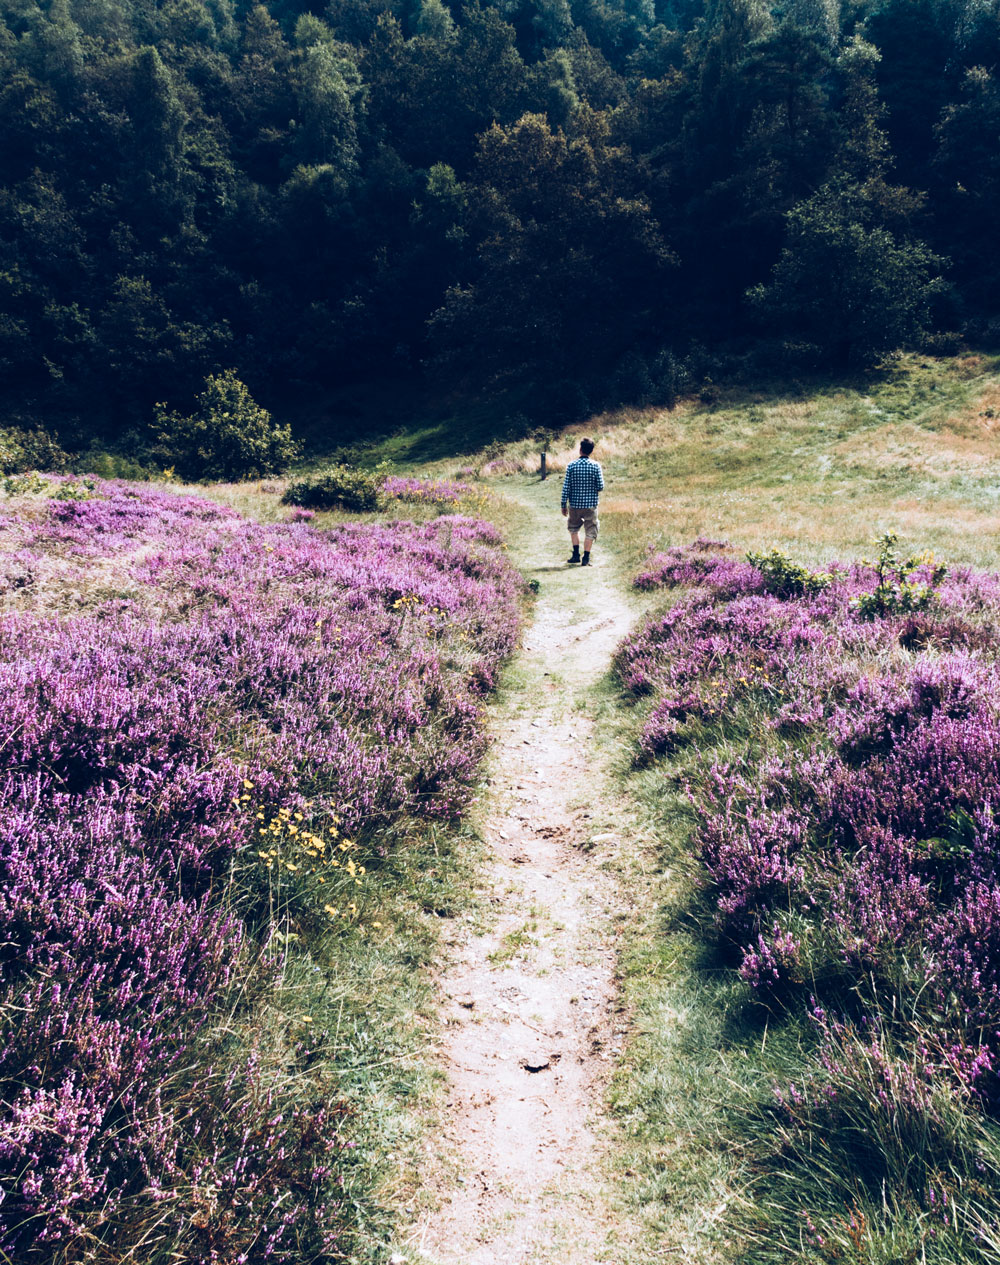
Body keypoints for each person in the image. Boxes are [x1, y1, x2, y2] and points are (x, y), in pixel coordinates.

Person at [560, 437, 604, 566]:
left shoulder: (571, 466)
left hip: (575, 504)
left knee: (574, 528)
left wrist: (563, 504)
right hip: (590, 504)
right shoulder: (596, 466)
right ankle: (586, 558)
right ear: (591, 451)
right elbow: (600, 486)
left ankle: (575, 555)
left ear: (580, 450)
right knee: (591, 530)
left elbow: (566, 487)